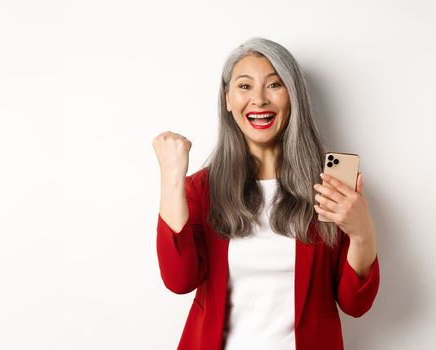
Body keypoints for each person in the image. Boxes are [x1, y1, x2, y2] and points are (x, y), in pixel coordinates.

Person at [151, 37, 380, 350]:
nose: (259, 100)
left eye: (274, 85)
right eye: (245, 86)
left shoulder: (330, 188)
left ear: (293, 96)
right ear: (227, 99)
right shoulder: (202, 190)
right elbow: (180, 281)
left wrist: (362, 233)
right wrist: (172, 180)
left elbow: (356, 303)